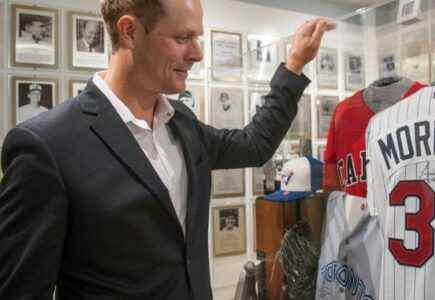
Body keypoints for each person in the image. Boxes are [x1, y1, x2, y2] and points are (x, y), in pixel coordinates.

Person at [0, 0, 334, 299]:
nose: (198, 53)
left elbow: (253, 145)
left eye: (197, 37)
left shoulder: (181, 123)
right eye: (182, 38)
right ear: (130, 31)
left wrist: (294, 65)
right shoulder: (47, 145)